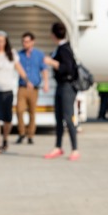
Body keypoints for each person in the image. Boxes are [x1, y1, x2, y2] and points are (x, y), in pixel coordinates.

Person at [43, 22, 80, 161]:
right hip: (61, 86)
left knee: (67, 117)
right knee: (59, 118)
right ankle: (58, 147)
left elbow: (67, 68)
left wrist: (51, 62)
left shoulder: (64, 49)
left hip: (67, 87)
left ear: (53, 34)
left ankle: (75, 149)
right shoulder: (61, 47)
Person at [15, 32, 49, 145]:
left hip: (34, 88)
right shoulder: (19, 55)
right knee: (19, 110)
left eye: (27, 41)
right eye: (23, 41)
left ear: (32, 42)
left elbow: (44, 69)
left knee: (32, 112)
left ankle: (30, 135)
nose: (25, 43)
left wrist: (46, 83)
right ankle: (21, 133)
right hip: (22, 87)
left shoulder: (39, 55)